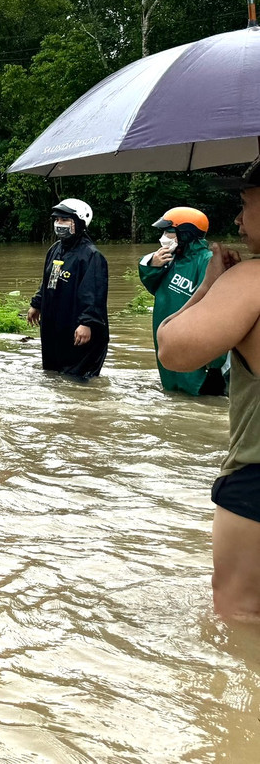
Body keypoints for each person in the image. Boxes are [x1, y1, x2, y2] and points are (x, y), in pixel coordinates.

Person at [157, 157, 260, 620]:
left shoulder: (250, 282)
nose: (237, 218)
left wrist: (210, 287)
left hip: (256, 479)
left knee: (240, 619)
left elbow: (173, 350)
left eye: (244, 201)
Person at [139, 206, 227, 396]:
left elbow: (218, 312)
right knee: (173, 395)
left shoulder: (208, 261)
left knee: (199, 396)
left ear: (186, 234)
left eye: (169, 232)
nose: (163, 237)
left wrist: (216, 361)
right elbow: (153, 286)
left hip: (195, 346)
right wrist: (152, 265)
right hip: (167, 341)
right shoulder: (169, 258)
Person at [27, 199, 109, 381]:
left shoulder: (91, 256)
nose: (59, 224)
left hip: (79, 329)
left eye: (65, 220)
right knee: (54, 378)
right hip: (55, 327)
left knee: (78, 381)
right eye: (57, 220)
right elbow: (49, 281)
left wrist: (87, 323)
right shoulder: (56, 250)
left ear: (79, 222)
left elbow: (93, 294)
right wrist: (37, 303)